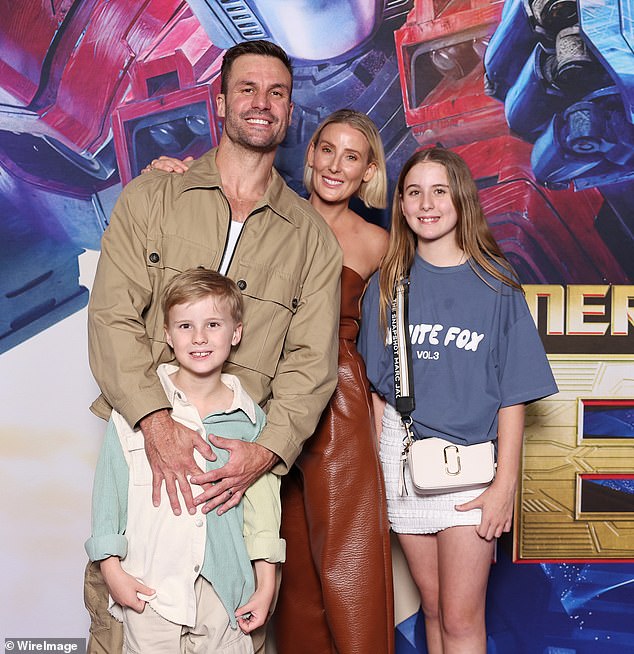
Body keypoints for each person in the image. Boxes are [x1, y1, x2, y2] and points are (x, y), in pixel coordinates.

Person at [85, 39, 342, 654]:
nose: (262, 103)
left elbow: (311, 366)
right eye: (247, 89)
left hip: (234, 479)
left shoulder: (309, 239)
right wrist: (154, 421)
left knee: (228, 630)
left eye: (277, 93)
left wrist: (266, 452)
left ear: (289, 111)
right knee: (124, 632)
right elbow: (111, 315)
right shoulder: (152, 198)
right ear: (220, 102)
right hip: (143, 461)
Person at [149, 109, 395, 654]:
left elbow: (392, 338)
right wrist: (177, 175)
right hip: (261, 384)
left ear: (368, 170)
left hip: (339, 396)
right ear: (309, 155)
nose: (335, 165)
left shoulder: (380, 243)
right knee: (276, 544)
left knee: (348, 553)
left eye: (351, 155)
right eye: (327, 149)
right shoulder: (274, 215)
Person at [358, 147, 558, 654]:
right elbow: (380, 395)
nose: (427, 203)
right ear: (400, 204)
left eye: (439, 191)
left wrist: (503, 485)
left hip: (470, 474)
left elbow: (514, 396)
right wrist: (377, 477)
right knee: (432, 609)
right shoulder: (386, 286)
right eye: (414, 192)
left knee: (462, 618)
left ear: (461, 199)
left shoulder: (496, 282)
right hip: (405, 467)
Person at [85, 269, 285, 653]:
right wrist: (112, 570)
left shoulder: (251, 420)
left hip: (227, 590)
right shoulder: (135, 411)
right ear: (167, 333)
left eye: (213, 324)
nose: (199, 338)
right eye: (185, 325)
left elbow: (264, 513)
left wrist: (266, 584)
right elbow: (108, 494)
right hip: (151, 583)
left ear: (236, 333)